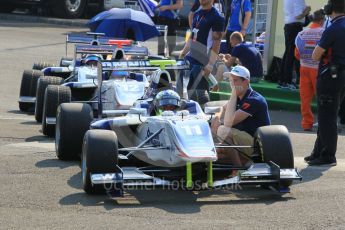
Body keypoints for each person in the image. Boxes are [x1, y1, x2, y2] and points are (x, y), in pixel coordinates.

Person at [305, 0, 345, 166]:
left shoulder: (333, 28)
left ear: (330, 9)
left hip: (330, 76)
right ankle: (318, 151)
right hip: (341, 77)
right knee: (327, 115)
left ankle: (328, 155)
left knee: (326, 117)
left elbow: (315, 55)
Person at [211, 65, 270, 166]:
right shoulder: (239, 96)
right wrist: (217, 117)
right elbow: (223, 108)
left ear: (246, 82)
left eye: (235, 80)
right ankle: (242, 162)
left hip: (258, 144)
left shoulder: (254, 99)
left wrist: (233, 95)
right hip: (241, 140)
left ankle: (238, 168)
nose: (232, 84)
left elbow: (229, 122)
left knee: (224, 130)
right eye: (230, 81)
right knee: (217, 152)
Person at [179, 0, 225, 106]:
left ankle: (206, 119)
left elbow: (216, 43)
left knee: (201, 98)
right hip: (190, 59)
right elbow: (193, 35)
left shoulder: (217, 17)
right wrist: (184, 51)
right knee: (185, 94)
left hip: (202, 61)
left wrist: (210, 64)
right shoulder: (197, 14)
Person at [294, 9, 325, 131]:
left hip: (304, 68)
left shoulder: (301, 34)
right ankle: (323, 122)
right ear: (322, 20)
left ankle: (306, 123)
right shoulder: (324, 33)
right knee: (322, 98)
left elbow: (296, 54)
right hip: (319, 69)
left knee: (305, 98)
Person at [278, 0, 311, 90]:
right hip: (295, 27)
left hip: (289, 26)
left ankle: (283, 80)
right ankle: (287, 81)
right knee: (291, 54)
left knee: (288, 53)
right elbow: (298, 15)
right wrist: (306, 11)